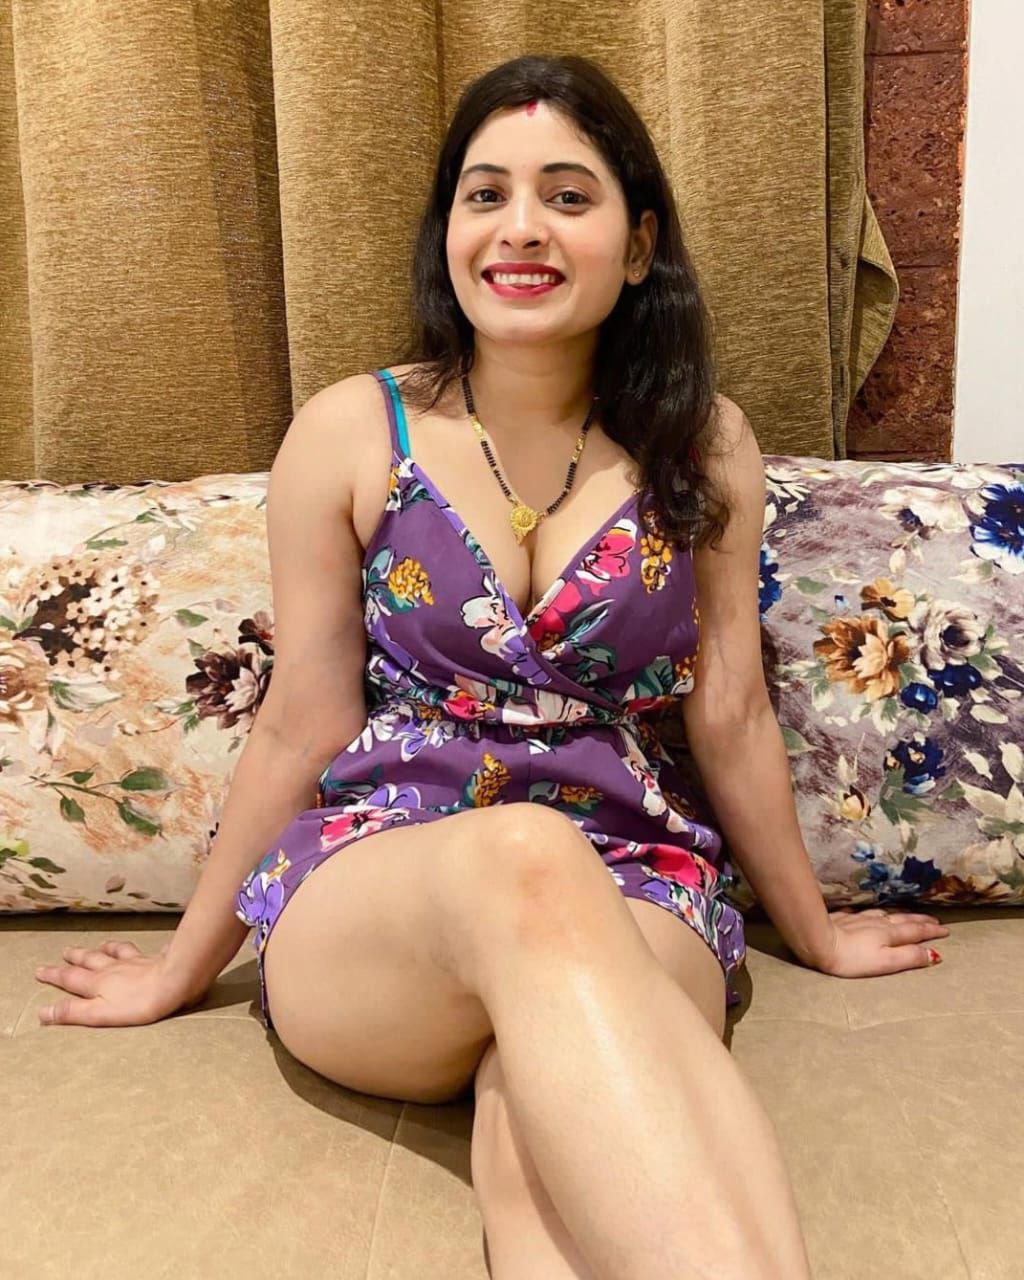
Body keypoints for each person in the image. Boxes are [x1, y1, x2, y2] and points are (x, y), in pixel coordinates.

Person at [34, 53, 948, 1280]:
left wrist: (817, 930)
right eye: (486, 194)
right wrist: (178, 965)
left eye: (568, 195)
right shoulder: (352, 430)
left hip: (636, 876)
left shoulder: (704, 440)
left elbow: (729, 708)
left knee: (541, 1110)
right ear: (448, 231)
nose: (520, 227)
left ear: (638, 245)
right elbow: (302, 718)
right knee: (527, 853)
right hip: (384, 881)